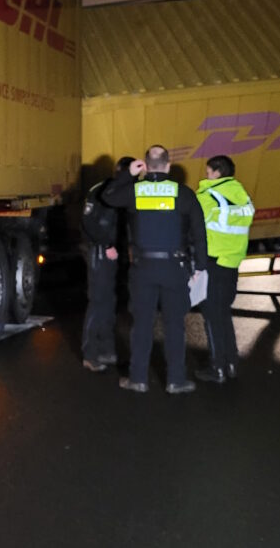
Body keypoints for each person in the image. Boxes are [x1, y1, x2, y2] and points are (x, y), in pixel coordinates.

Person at [102, 145, 208, 394]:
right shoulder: (183, 194)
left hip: (143, 268)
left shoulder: (134, 191)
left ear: (146, 166)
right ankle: (176, 380)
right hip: (175, 267)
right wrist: (200, 267)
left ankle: (138, 379)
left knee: (142, 324)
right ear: (168, 166)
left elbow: (107, 196)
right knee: (174, 325)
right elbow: (199, 234)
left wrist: (127, 173)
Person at [194, 154, 254, 383]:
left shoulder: (208, 196)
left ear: (217, 172)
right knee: (223, 314)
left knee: (211, 316)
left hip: (214, 262)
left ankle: (217, 368)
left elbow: (190, 222)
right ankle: (231, 363)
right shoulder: (242, 196)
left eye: (209, 171)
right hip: (232, 262)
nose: (206, 175)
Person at [80, 157, 132, 372]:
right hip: (102, 252)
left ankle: (107, 349)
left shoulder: (127, 190)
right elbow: (89, 221)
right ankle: (90, 354)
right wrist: (106, 244)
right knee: (98, 302)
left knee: (110, 303)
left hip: (117, 253)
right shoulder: (102, 190)